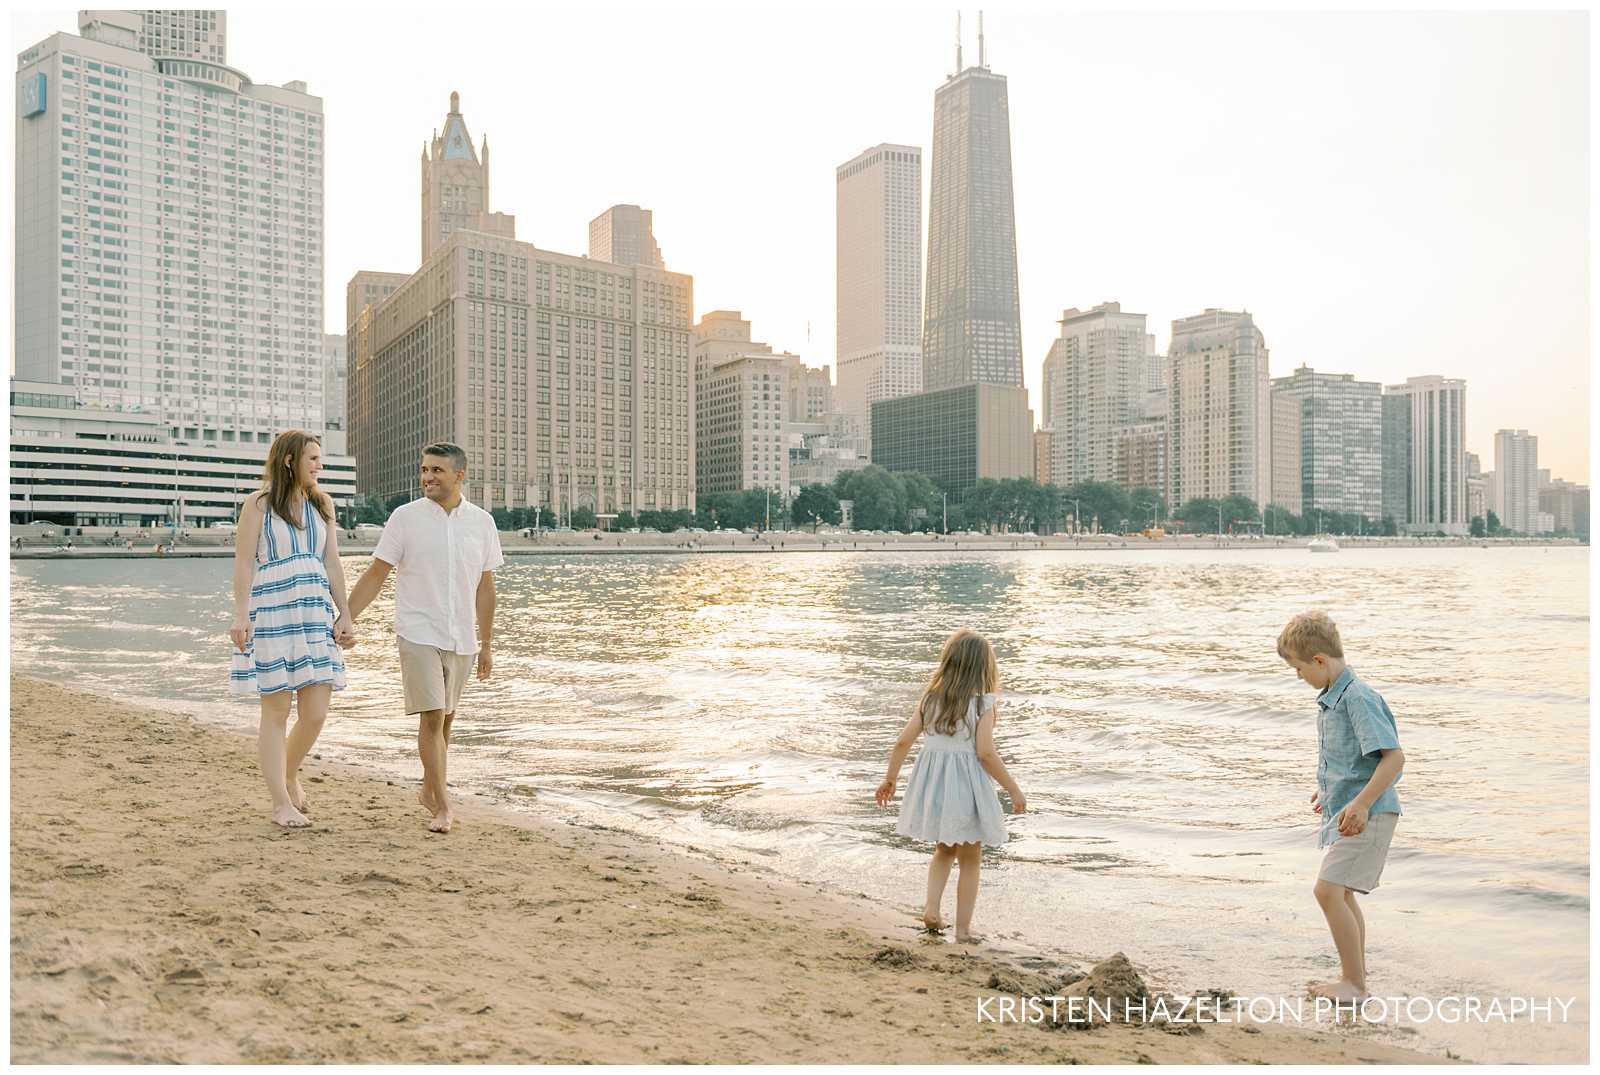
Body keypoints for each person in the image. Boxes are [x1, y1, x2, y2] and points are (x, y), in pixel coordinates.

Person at [347, 442, 504, 834]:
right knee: (432, 717)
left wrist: (487, 645)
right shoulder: (405, 518)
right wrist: (345, 616)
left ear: (459, 475)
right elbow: (376, 574)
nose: (427, 477)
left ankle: (428, 787)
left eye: (436, 470)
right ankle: (443, 805)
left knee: (446, 723)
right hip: (417, 630)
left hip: (462, 637)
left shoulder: (482, 522)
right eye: (424, 470)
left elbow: (486, 588)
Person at [228, 430, 354, 828]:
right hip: (273, 611)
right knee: (277, 710)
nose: (320, 465)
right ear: (289, 460)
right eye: (313, 458)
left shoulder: (322, 503)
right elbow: (245, 563)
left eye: (321, 458)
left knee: (316, 712)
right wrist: (240, 614)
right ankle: (281, 801)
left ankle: (288, 772)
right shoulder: (259, 504)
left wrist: (345, 613)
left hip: (314, 612)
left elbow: (332, 563)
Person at [1277, 610, 1404, 1003]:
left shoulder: (1359, 698)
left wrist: (1362, 804)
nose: (1299, 678)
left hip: (1370, 813)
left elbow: (1393, 759)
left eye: (1298, 670)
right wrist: (1329, 791)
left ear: (1319, 661)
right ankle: (1355, 977)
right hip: (1349, 811)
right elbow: (1351, 761)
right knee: (1341, 893)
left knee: (1327, 891)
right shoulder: (1333, 699)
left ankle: (1354, 984)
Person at [875, 629, 1026, 943]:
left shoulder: (930, 700)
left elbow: (903, 741)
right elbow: (985, 753)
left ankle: (931, 908)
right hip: (966, 787)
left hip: (935, 786)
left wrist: (890, 779)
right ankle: (962, 930)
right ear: (984, 668)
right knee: (971, 858)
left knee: (943, 850)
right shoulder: (983, 705)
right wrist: (1012, 788)